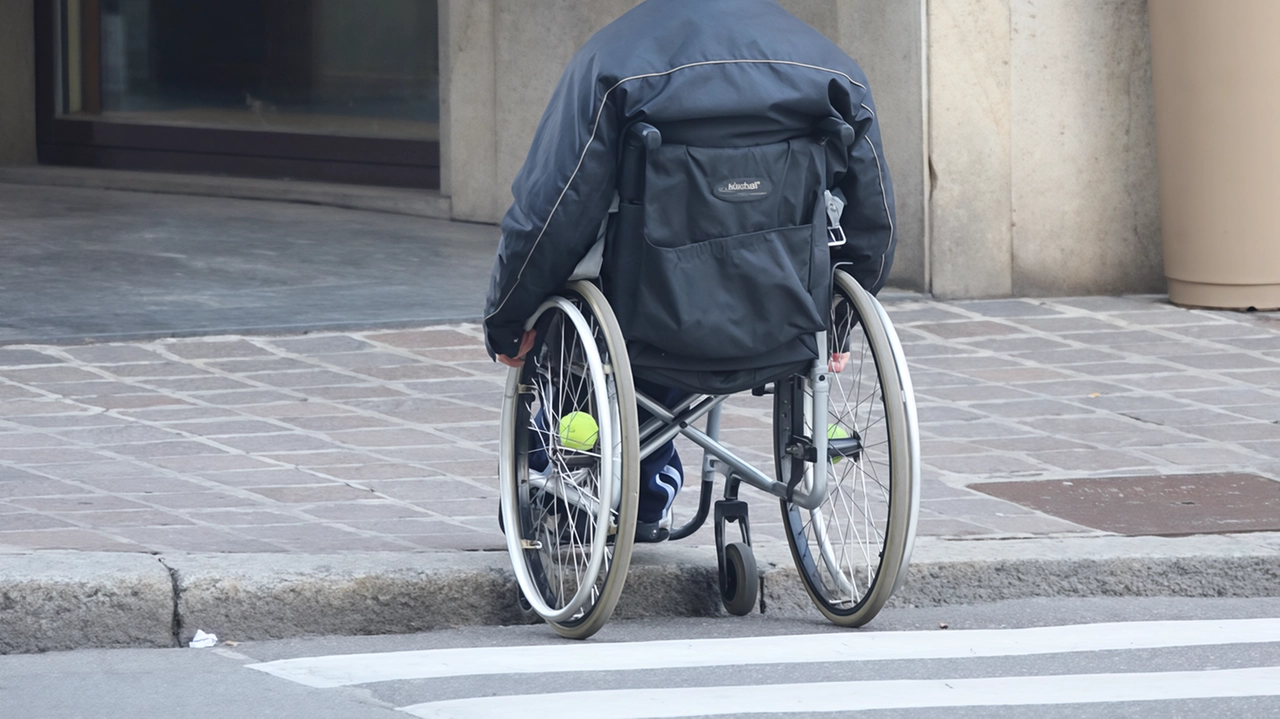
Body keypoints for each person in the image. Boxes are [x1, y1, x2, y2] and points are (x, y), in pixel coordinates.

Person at [484, 0, 896, 542]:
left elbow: (553, 212)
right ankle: (650, 484)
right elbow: (875, 215)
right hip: (784, 312)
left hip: (653, 316)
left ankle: (622, 479)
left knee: (580, 310)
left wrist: (508, 317)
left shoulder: (613, 63)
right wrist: (840, 315)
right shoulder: (830, 68)